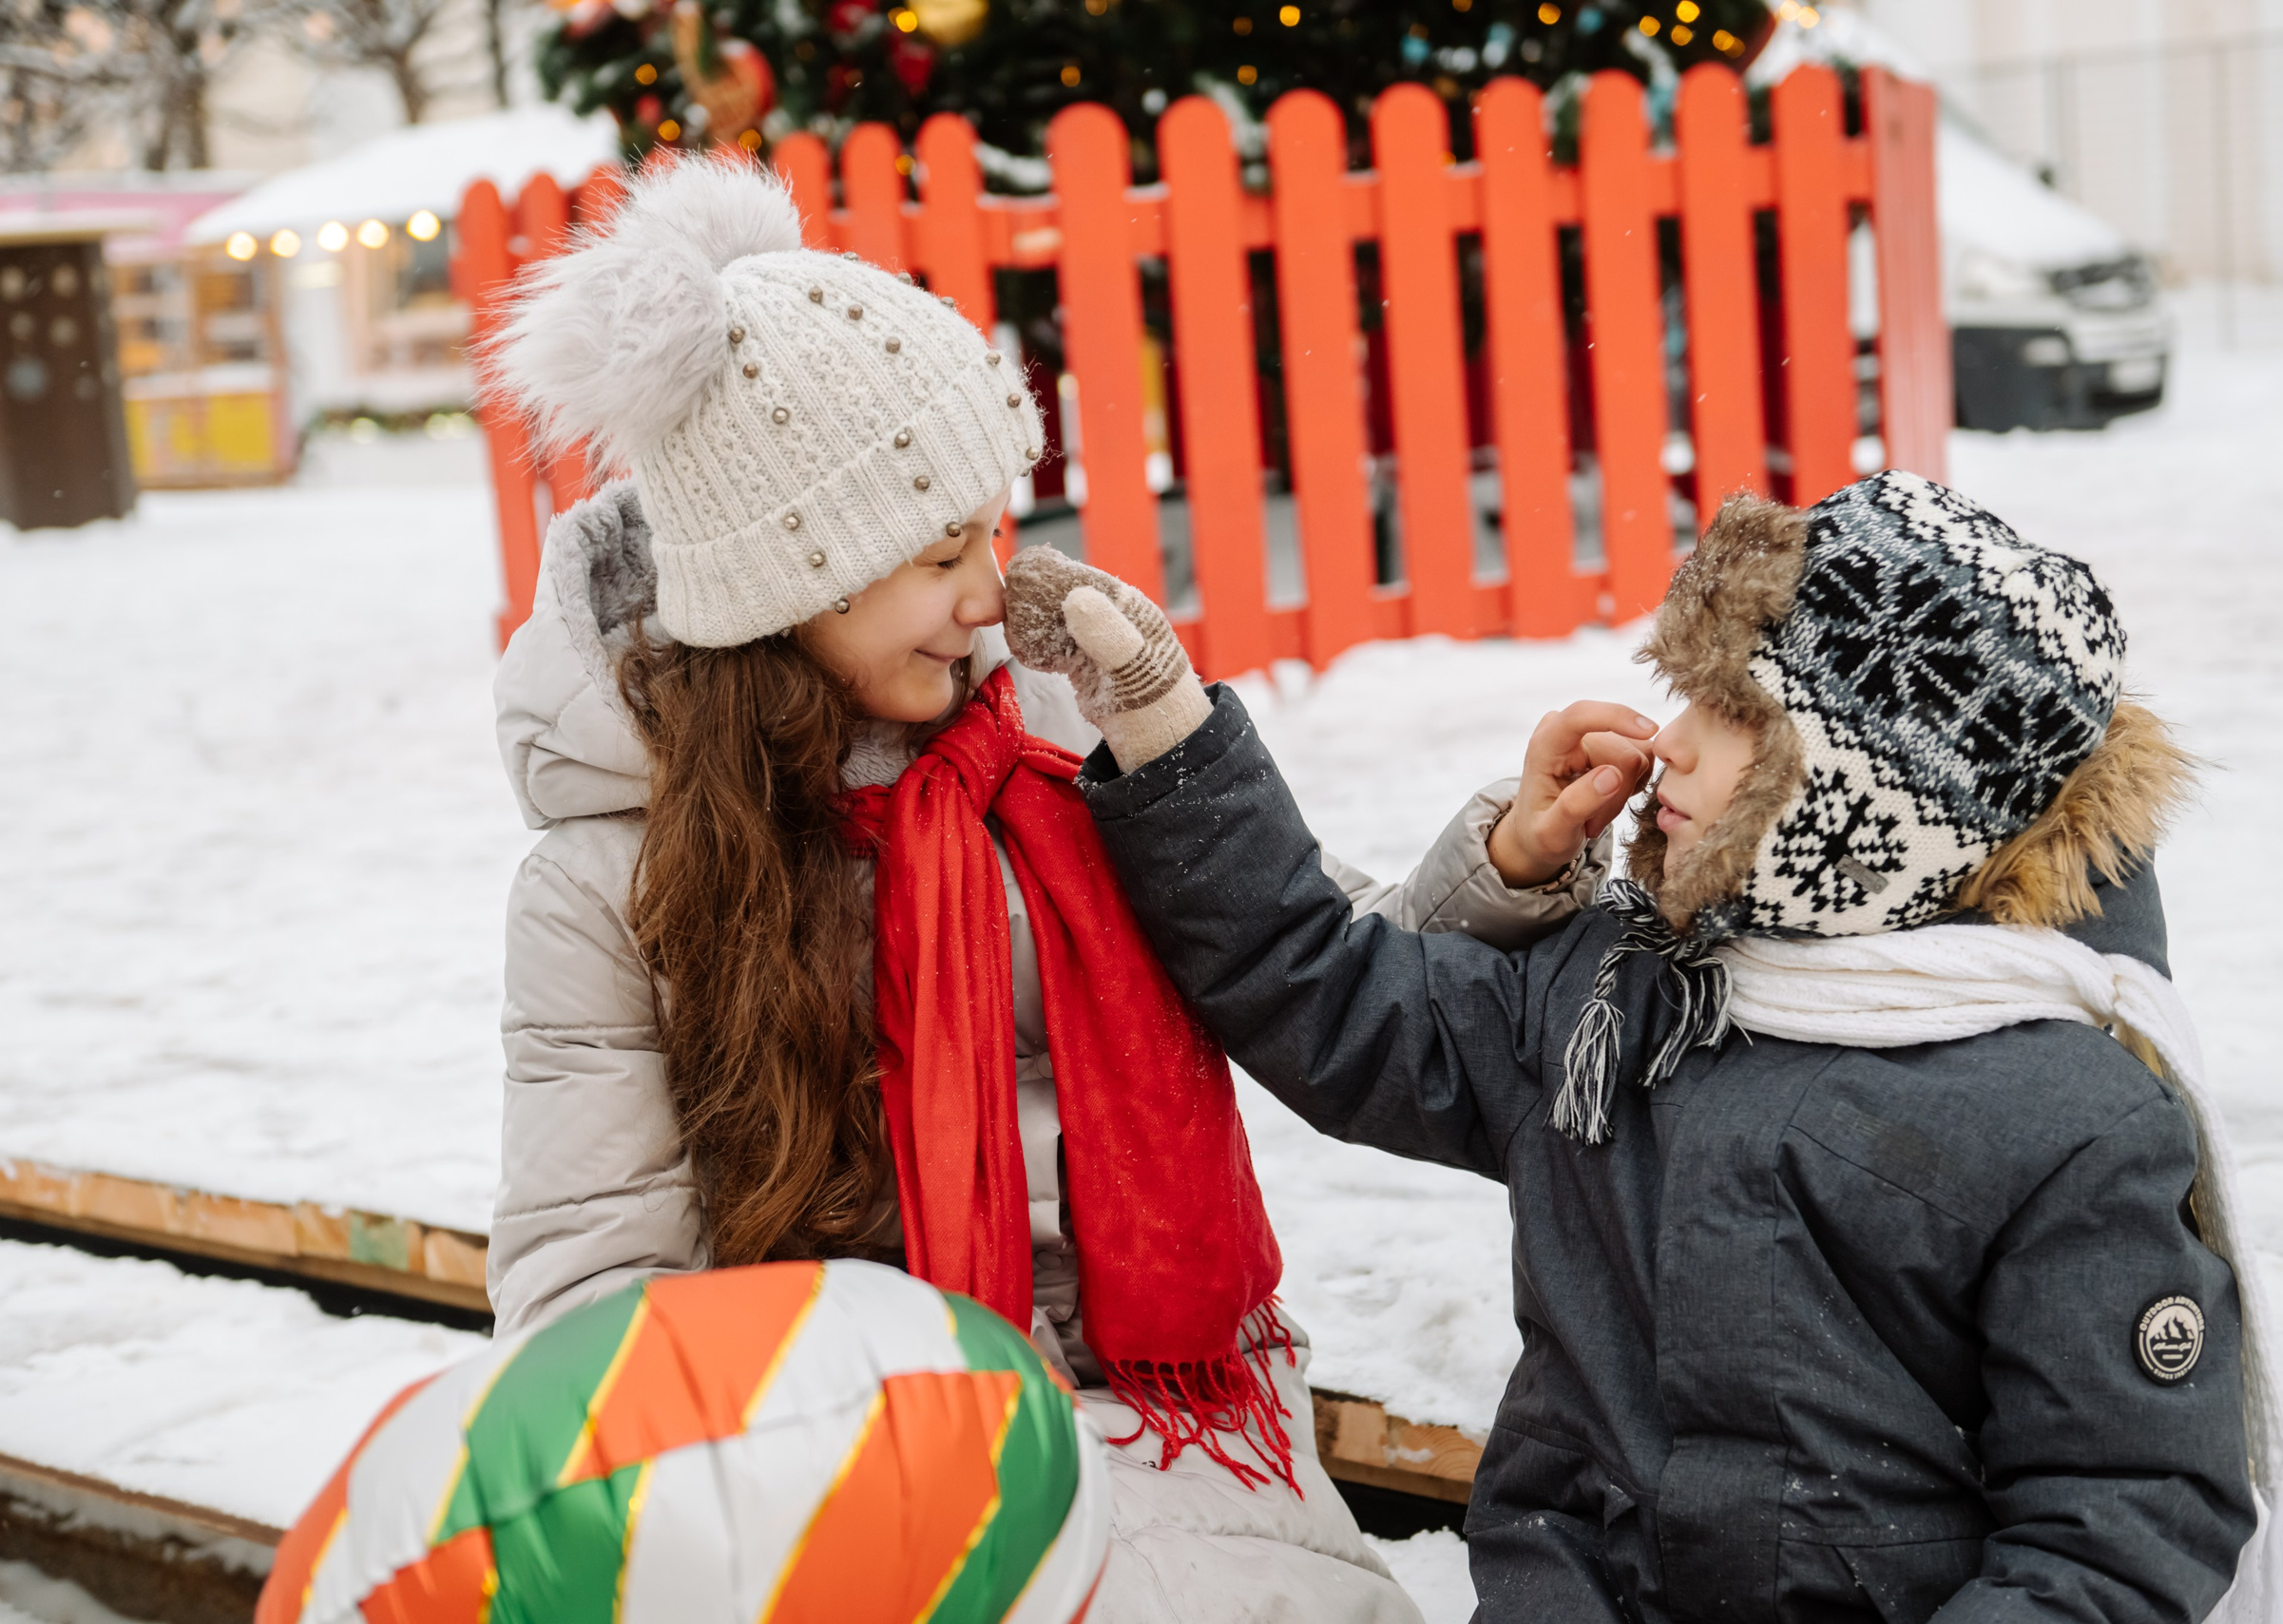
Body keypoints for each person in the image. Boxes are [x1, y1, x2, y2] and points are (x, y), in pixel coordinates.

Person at [480, 155, 1600, 1621]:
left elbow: (1311, 961)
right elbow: (595, 1279)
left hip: (1179, 1394)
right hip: (852, 1453)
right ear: (786, 585)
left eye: (990, 535)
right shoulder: (612, 882)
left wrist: (1504, 860)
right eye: (941, 552)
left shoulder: (1070, 748)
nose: (985, 590)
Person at [1009, 472, 2283, 1624]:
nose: (1673, 743)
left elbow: (2121, 1507)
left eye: (1739, 714)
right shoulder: (1618, 993)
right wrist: (1169, 730)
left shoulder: (2061, 1116)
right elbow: (1331, 995)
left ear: (1876, 793)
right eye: (1690, 694)